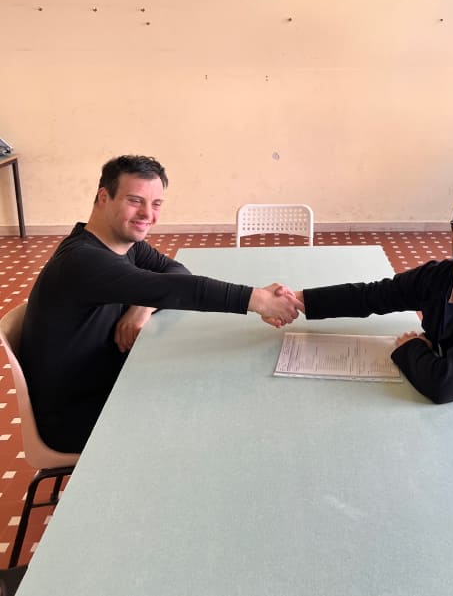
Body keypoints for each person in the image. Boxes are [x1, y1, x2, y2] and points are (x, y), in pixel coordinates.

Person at [20, 155, 302, 453]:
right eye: (134, 201)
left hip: (108, 380)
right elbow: (181, 288)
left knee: (208, 381)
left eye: (156, 204)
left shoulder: (123, 244)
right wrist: (259, 300)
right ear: (103, 197)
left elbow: (176, 272)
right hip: (76, 417)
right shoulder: (83, 260)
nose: (147, 214)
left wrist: (142, 306)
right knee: (210, 414)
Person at [279, 188, 453, 489]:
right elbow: (373, 295)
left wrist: (412, 347)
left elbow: (444, 384)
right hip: (443, 422)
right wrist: (297, 300)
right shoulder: (440, 277)